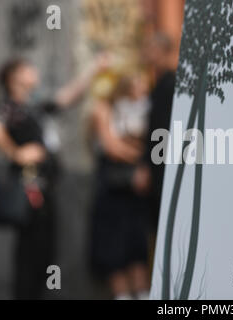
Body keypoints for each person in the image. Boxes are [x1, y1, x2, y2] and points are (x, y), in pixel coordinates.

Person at [0, 55, 107, 299]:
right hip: (30, 190)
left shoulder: (33, 107)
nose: (34, 72)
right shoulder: (9, 108)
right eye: (28, 69)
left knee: (44, 254)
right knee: (30, 255)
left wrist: (93, 69)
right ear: (14, 77)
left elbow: (66, 98)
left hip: (47, 190)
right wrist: (17, 153)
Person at [89, 75, 151, 300]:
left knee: (136, 250)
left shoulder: (144, 110)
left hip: (133, 195)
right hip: (111, 191)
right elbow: (111, 146)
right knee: (113, 252)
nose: (142, 93)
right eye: (137, 88)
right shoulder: (104, 109)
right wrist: (143, 154)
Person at [135, 33, 177, 233]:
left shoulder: (169, 85)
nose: (146, 53)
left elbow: (161, 129)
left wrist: (147, 164)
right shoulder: (158, 84)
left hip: (163, 166)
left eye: (151, 48)